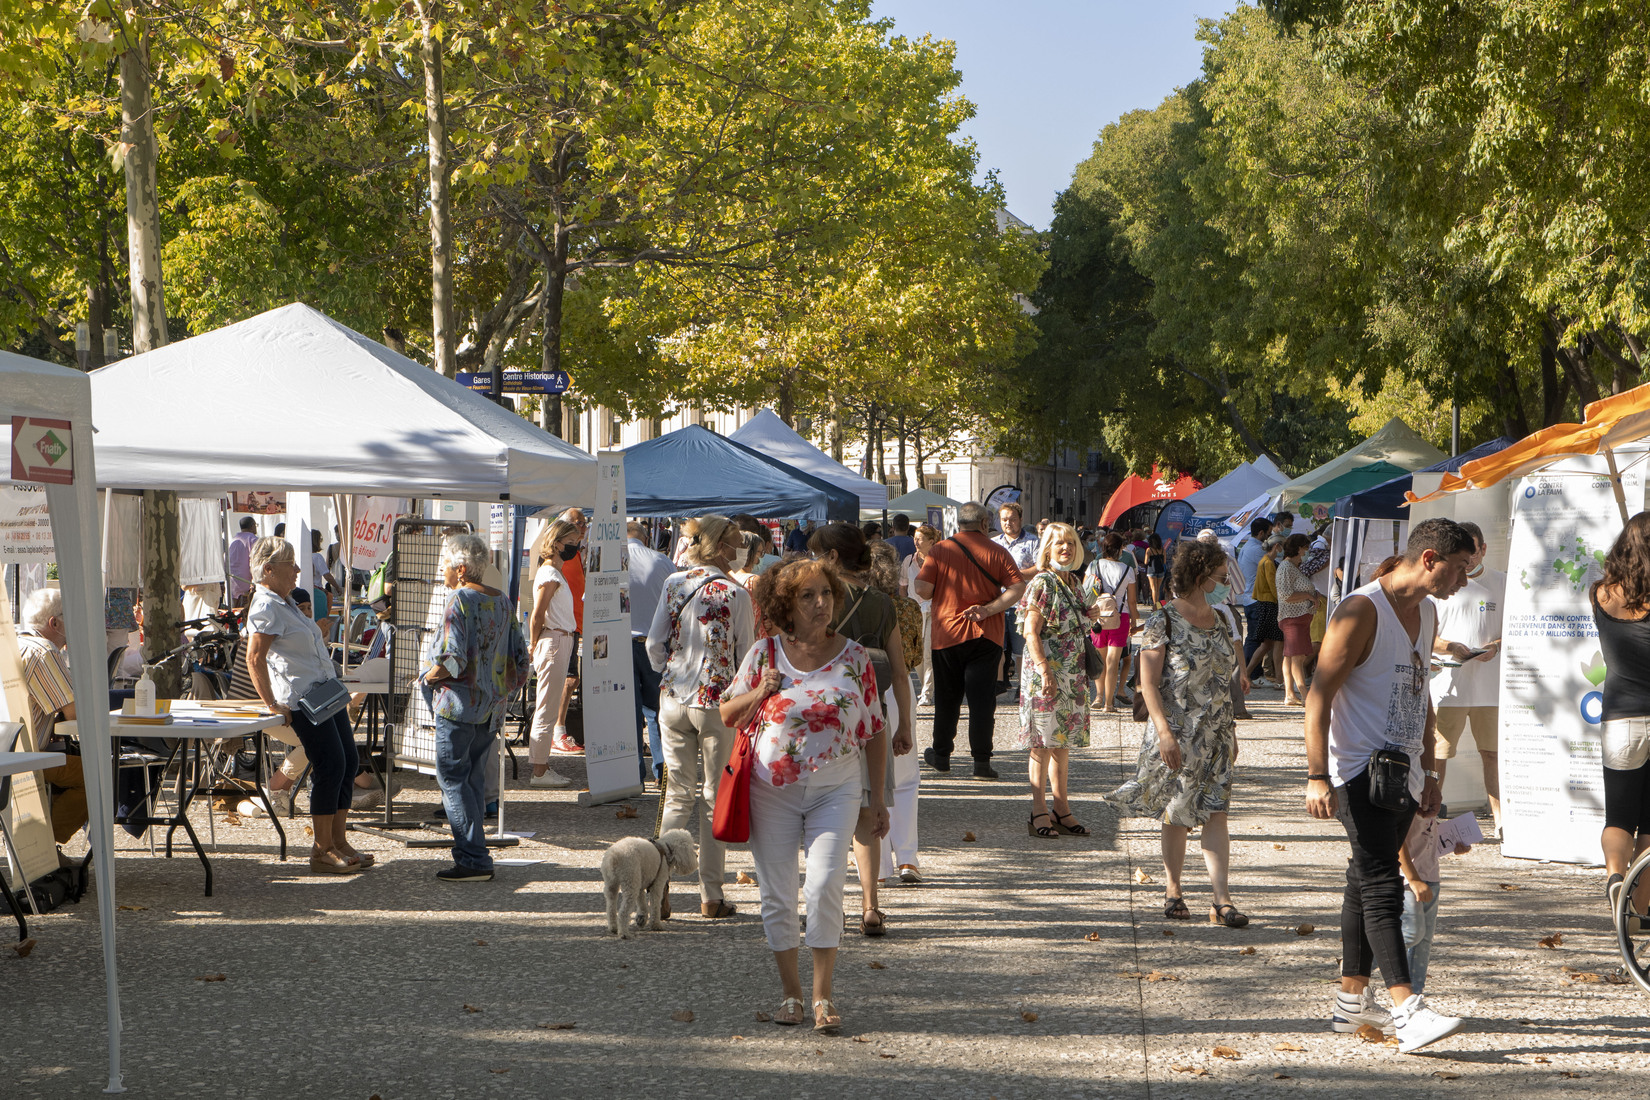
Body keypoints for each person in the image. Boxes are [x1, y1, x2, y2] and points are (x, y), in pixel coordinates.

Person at [1305, 517, 1475, 1053]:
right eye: (1460, 570)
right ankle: (1407, 1010)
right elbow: (1318, 696)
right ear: (1429, 559)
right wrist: (1316, 776)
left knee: (1362, 879)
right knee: (1382, 881)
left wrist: (1429, 768)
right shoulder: (1360, 610)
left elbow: (1420, 693)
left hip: (1404, 771)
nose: (1463, 583)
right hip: (1359, 769)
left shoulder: (1425, 612)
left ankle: (1348, 1004)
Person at [719, 557, 889, 1033]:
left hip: (836, 788)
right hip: (769, 791)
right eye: (807, 596)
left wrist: (875, 799)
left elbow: (874, 729)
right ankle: (790, 994)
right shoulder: (764, 654)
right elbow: (727, 713)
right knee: (778, 894)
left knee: (824, 886)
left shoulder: (856, 658)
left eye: (827, 594)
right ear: (785, 606)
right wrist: (760, 693)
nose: (820, 604)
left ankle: (822, 996)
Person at [1107, 540, 1251, 927]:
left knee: (1217, 812)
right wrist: (1165, 734)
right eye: (1222, 577)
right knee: (1177, 814)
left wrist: (1231, 731)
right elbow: (1148, 684)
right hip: (1178, 734)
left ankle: (1222, 899)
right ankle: (1174, 890)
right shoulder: (1163, 620)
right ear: (1202, 577)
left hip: (1217, 734)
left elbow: (1222, 681)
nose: (1226, 584)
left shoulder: (1222, 619)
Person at [646, 514, 756, 919]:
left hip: (673, 697)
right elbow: (747, 657)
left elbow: (655, 644)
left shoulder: (675, 584)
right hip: (717, 701)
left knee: (676, 794)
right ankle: (711, 894)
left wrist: (672, 671)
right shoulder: (735, 593)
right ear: (721, 547)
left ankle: (658, 886)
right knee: (714, 796)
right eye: (735, 541)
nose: (740, 548)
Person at [245, 536, 372, 875]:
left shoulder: (284, 602)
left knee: (346, 762)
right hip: (301, 700)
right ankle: (322, 848)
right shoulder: (266, 605)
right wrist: (271, 703)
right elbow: (255, 658)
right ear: (269, 569)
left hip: (323, 694)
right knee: (330, 765)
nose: (299, 570)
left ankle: (339, 841)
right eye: (291, 564)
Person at [809, 524, 914, 935]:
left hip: (822, 718)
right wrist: (904, 722)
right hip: (871, 718)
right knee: (868, 812)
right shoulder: (881, 603)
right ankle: (871, 904)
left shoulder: (817, 599)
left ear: (833, 558)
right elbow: (901, 673)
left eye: (817, 554)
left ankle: (828, 907)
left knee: (823, 813)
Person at [420, 534, 530, 882]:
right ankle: (476, 854)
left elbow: (451, 658)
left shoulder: (460, 599)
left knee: (453, 779)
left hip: (458, 705)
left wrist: (428, 678)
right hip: (490, 708)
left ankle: (473, 858)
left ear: (462, 569)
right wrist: (499, 692)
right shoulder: (503, 601)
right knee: (472, 778)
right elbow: (521, 662)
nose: (443, 571)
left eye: (446, 565)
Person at [914, 502, 1026, 779]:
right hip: (985, 634)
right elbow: (1017, 588)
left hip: (947, 635)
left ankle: (941, 755)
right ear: (985, 524)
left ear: (958, 524)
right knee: (982, 700)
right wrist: (988, 609)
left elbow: (923, 591)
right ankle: (981, 762)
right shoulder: (997, 551)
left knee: (947, 698)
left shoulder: (940, 550)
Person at [1590, 512, 1650, 933]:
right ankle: (1637, 915)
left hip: (1621, 720)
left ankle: (1615, 877)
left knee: (1618, 817)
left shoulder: (1599, 594)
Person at [1017, 523, 1095, 839]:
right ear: (1047, 549)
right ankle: (1038, 812)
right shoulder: (1042, 583)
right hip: (1046, 675)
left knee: (1061, 745)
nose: (1066, 548)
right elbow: (1030, 631)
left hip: (1072, 675)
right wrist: (1044, 670)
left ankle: (1061, 809)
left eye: (1071, 544)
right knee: (1042, 745)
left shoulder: (1073, 582)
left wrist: (1097, 613)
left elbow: (1077, 623)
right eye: (1059, 544)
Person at [1429, 521, 1505, 836]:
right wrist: (1450, 647)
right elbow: (1424, 634)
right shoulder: (1439, 588)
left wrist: (1496, 647)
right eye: (1463, 555)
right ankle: (1429, 815)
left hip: (1491, 689)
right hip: (1448, 687)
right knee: (1438, 754)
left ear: (1483, 549)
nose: (1469, 560)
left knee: (1493, 754)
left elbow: (1516, 631)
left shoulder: (1503, 583)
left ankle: (1501, 819)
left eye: (1473, 552)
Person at [15, 589, 89, 847]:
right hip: (24, 756)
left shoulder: (13, 644)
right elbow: (75, 714)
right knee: (94, 777)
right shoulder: (44, 651)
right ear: (54, 623)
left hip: (10, 751)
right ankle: (44, 847)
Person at [525, 519, 581, 789]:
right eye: (571, 543)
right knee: (547, 707)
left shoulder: (553, 573)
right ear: (557, 543)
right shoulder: (550, 574)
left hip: (560, 640)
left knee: (547, 705)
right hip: (555, 640)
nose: (575, 547)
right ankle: (539, 770)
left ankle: (541, 767)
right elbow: (537, 615)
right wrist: (534, 644)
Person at [1398, 807, 1472, 997]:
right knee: (1411, 933)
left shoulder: (1429, 794)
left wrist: (1453, 841)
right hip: (1407, 878)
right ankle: (1361, 964)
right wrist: (1412, 878)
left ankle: (1415, 995)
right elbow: (1395, 837)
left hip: (1431, 875)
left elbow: (1427, 829)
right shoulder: (1406, 794)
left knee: (1424, 941)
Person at [627, 520, 674, 787]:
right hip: (655, 643)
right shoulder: (662, 561)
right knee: (659, 711)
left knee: (631, 712)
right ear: (645, 538)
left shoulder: (612, 561)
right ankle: (663, 771)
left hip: (621, 645)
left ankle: (635, 775)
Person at [549, 507, 589, 756]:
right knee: (569, 679)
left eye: (584, 523)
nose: (582, 527)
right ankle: (557, 731)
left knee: (572, 680)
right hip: (565, 626)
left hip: (577, 625)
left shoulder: (577, 554)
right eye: (578, 523)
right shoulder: (560, 556)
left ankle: (557, 730)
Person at [1085, 532, 1139, 714]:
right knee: (1113, 661)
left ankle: (1098, 696)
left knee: (1100, 659)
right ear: (1120, 549)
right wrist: (1134, 621)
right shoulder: (1127, 570)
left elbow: (1085, 592)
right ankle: (1109, 703)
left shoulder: (1093, 566)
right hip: (1120, 617)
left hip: (1097, 616)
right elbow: (1132, 601)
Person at [993, 501, 1039, 701]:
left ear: (1020, 519)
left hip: (1022, 605)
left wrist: (1014, 575)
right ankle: (997, 684)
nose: (1008, 523)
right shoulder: (993, 543)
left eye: (1012, 519)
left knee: (1022, 649)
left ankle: (1023, 687)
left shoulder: (1033, 542)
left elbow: (1040, 568)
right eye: (1004, 519)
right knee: (996, 647)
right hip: (997, 603)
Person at [1276, 533, 1320, 706]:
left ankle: (1290, 694)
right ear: (1299, 548)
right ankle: (1305, 695)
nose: (1307, 551)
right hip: (1293, 617)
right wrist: (1309, 595)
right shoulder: (1286, 567)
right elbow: (1286, 595)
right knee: (1297, 657)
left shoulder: (1292, 567)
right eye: (1305, 547)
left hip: (1298, 617)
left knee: (1289, 657)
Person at [902, 523, 940, 706]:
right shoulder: (909, 560)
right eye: (915, 538)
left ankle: (927, 693)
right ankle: (926, 687)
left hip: (933, 611)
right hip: (914, 612)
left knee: (928, 654)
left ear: (931, 541)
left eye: (920, 539)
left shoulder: (940, 560)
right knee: (916, 656)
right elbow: (902, 587)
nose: (916, 542)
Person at [1243, 535, 1285, 687]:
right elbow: (1273, 586)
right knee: (1277, 642)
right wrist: (1282, 602)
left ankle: (1247, 674)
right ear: (1276, 546)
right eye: (1282, 546)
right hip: (1270, 605)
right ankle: (1279, 680)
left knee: (1267, 644)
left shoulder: (1266, 561)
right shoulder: (1267, 562)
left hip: (1265, 604)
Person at [1233, 516, 1272, 651]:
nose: (1270, 537)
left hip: (1250, 598)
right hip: (1256, 600)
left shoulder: (1247, 547)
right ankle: (1249, 671)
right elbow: (1273, 566)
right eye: (1269, 534)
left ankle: (1250, 670)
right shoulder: (1257, 550)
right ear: (1261, 533)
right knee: (1255, 640)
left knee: (1256, 639)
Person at [228, 516, 259, 605]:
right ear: (252, 526)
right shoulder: (253, 539)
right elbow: (256, 562)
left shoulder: (233, 540)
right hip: (247, 585)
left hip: (232, 583)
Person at [1143, 533, 1166, 608]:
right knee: (1158, 589)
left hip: (1151, 570)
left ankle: (1155, 606)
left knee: (1153, 589)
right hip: (1160, 571)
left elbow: (1146, 562)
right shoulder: (1163, 550)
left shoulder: (1149, 550)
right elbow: (1164, 562)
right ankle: (1158, 606)